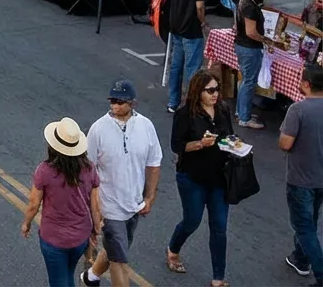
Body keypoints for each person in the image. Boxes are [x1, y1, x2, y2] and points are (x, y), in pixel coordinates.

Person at [82, 79, 163, 287]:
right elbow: (88, 172)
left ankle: (90, 277)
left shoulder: (146, 126)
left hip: (134, 204)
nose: (115, 105)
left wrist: (150, 197)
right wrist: (93, 209)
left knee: (113, 250)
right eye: (113, 101)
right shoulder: (98, 129)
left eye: (120, 101)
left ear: (132, 103)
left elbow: (154, 164)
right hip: (109, 208)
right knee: (119, 260)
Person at [167, 70, 233, 287]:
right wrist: (199, 144)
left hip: (219, 179)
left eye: (217, 89)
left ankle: (218, 278)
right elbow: (177, 145)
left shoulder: (222, 110)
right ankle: (173, 249)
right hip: (192, 178)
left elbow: (229, 137)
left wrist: (236, 146)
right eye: (210, 90)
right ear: (199, 92)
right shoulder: (185, 114)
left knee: (219, 227)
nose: (215, 94)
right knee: (192, 221)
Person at [21, 117, 102, 287]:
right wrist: (95, 229)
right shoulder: (89, 168)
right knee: (68, 274)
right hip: (80, 238)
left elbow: (34, 204)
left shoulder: (45, 171)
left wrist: (26, 224)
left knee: (59, 281)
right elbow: (95, 205)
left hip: (54, 240)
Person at [280, 64, 323, 283]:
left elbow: (286, 143)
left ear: (306, 84)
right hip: (320, 180)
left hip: (300, 179)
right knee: (311, 219)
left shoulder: (298, 110)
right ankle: (300, 258)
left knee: (304, 227)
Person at [167, 0, 213, 114]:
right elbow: (199, 7)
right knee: (193, 69)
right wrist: (203, 22)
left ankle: (172, 102)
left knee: (176, 67)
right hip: (191, 30)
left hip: (176, 26)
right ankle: (192, 105)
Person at [234, 0, 270, 130]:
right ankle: (244, 117)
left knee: (245, 81)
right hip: (249, 48)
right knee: (249, 82)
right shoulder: (249, 6)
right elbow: (251, 32)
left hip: (243, 46)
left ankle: (241, 111)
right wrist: (266, 40)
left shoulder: (244, 0)